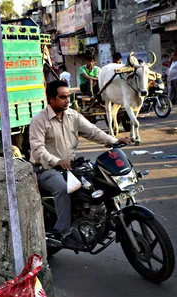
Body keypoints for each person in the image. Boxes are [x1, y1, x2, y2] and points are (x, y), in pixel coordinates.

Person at [29, 80, 131, 247]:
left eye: (68, 96)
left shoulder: (72, 115)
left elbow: (93, 131)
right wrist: (57, 161)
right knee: (63, 188)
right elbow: (38, 150)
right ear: (51, 99)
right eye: (62, 97)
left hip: (70, 166)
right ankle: (64, 232)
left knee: (97, 181)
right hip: (46, 169)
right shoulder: (39, 120)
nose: (67, 100)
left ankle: (96, 220)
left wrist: (114, 141)